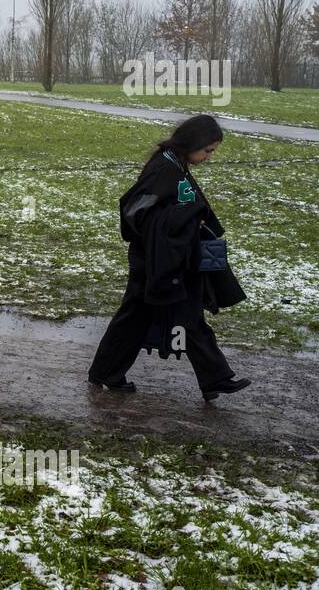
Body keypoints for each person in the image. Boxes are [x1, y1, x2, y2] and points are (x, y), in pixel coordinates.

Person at [88, 114, 252, 402]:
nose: (209, 157)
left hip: (172, 259)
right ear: (194, 143)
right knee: (140, 318)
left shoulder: (176, 164)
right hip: (155, 262)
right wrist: (186, 218)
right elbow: (135, 213)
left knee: (178, 317)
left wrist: (192, 221)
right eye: (208, 150)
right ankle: (106, 373)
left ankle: (214, 379)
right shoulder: (164, 169)